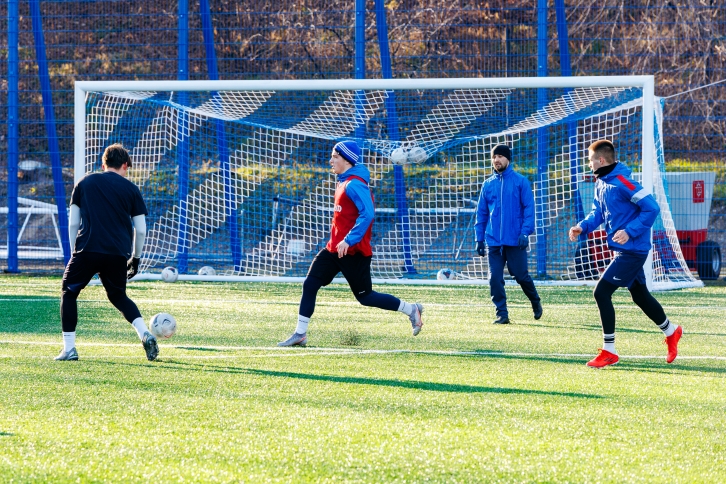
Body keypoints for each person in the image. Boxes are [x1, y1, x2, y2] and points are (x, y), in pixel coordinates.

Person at [278, 140, 424, 347]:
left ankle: (412, 309)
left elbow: (368, 214)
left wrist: (349, 239)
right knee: (310, 284)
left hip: (354, 252)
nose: (331, 160)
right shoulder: (343, 181)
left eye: (335, 157)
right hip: (334, 249)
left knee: (366, 297)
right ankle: (300, 334)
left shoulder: (355, 184)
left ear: (346, 160)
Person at [568, 139, 682, 368]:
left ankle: (609, 351)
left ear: (601, 160)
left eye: (590, 160)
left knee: (601, 292)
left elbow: (652, 207)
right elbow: (597, 212)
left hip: (632, 251)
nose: (588, 164)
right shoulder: (602, 182)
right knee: (640, 296)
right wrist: (582, 226)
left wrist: (630, 231)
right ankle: (672, 331)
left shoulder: (622, 182)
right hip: (624, 250)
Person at [55, 143, 158, 361]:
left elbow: (73, 223)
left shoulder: (85, 182)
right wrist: (135, 258)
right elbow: (140, 229)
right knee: (119, 296)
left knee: (69, 292)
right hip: (118, 253)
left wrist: (75, 250)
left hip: (88, 249)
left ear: (103, 164)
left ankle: (69, 349)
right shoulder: (131, 189)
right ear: (125, 165)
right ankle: (145, 333)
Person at [474, 144, 542, 324]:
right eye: (494, 157)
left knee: (521, 276)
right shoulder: (487, 184)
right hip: (493, 241)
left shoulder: (520, 182)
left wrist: (525, 233)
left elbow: (529, 208)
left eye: (500, 156)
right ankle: (502, 314)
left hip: (515, 239)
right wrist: (479, 238)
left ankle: (535, 301)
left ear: (508, 159)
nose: (496, 160)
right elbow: (481, 213)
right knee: (494, 278)